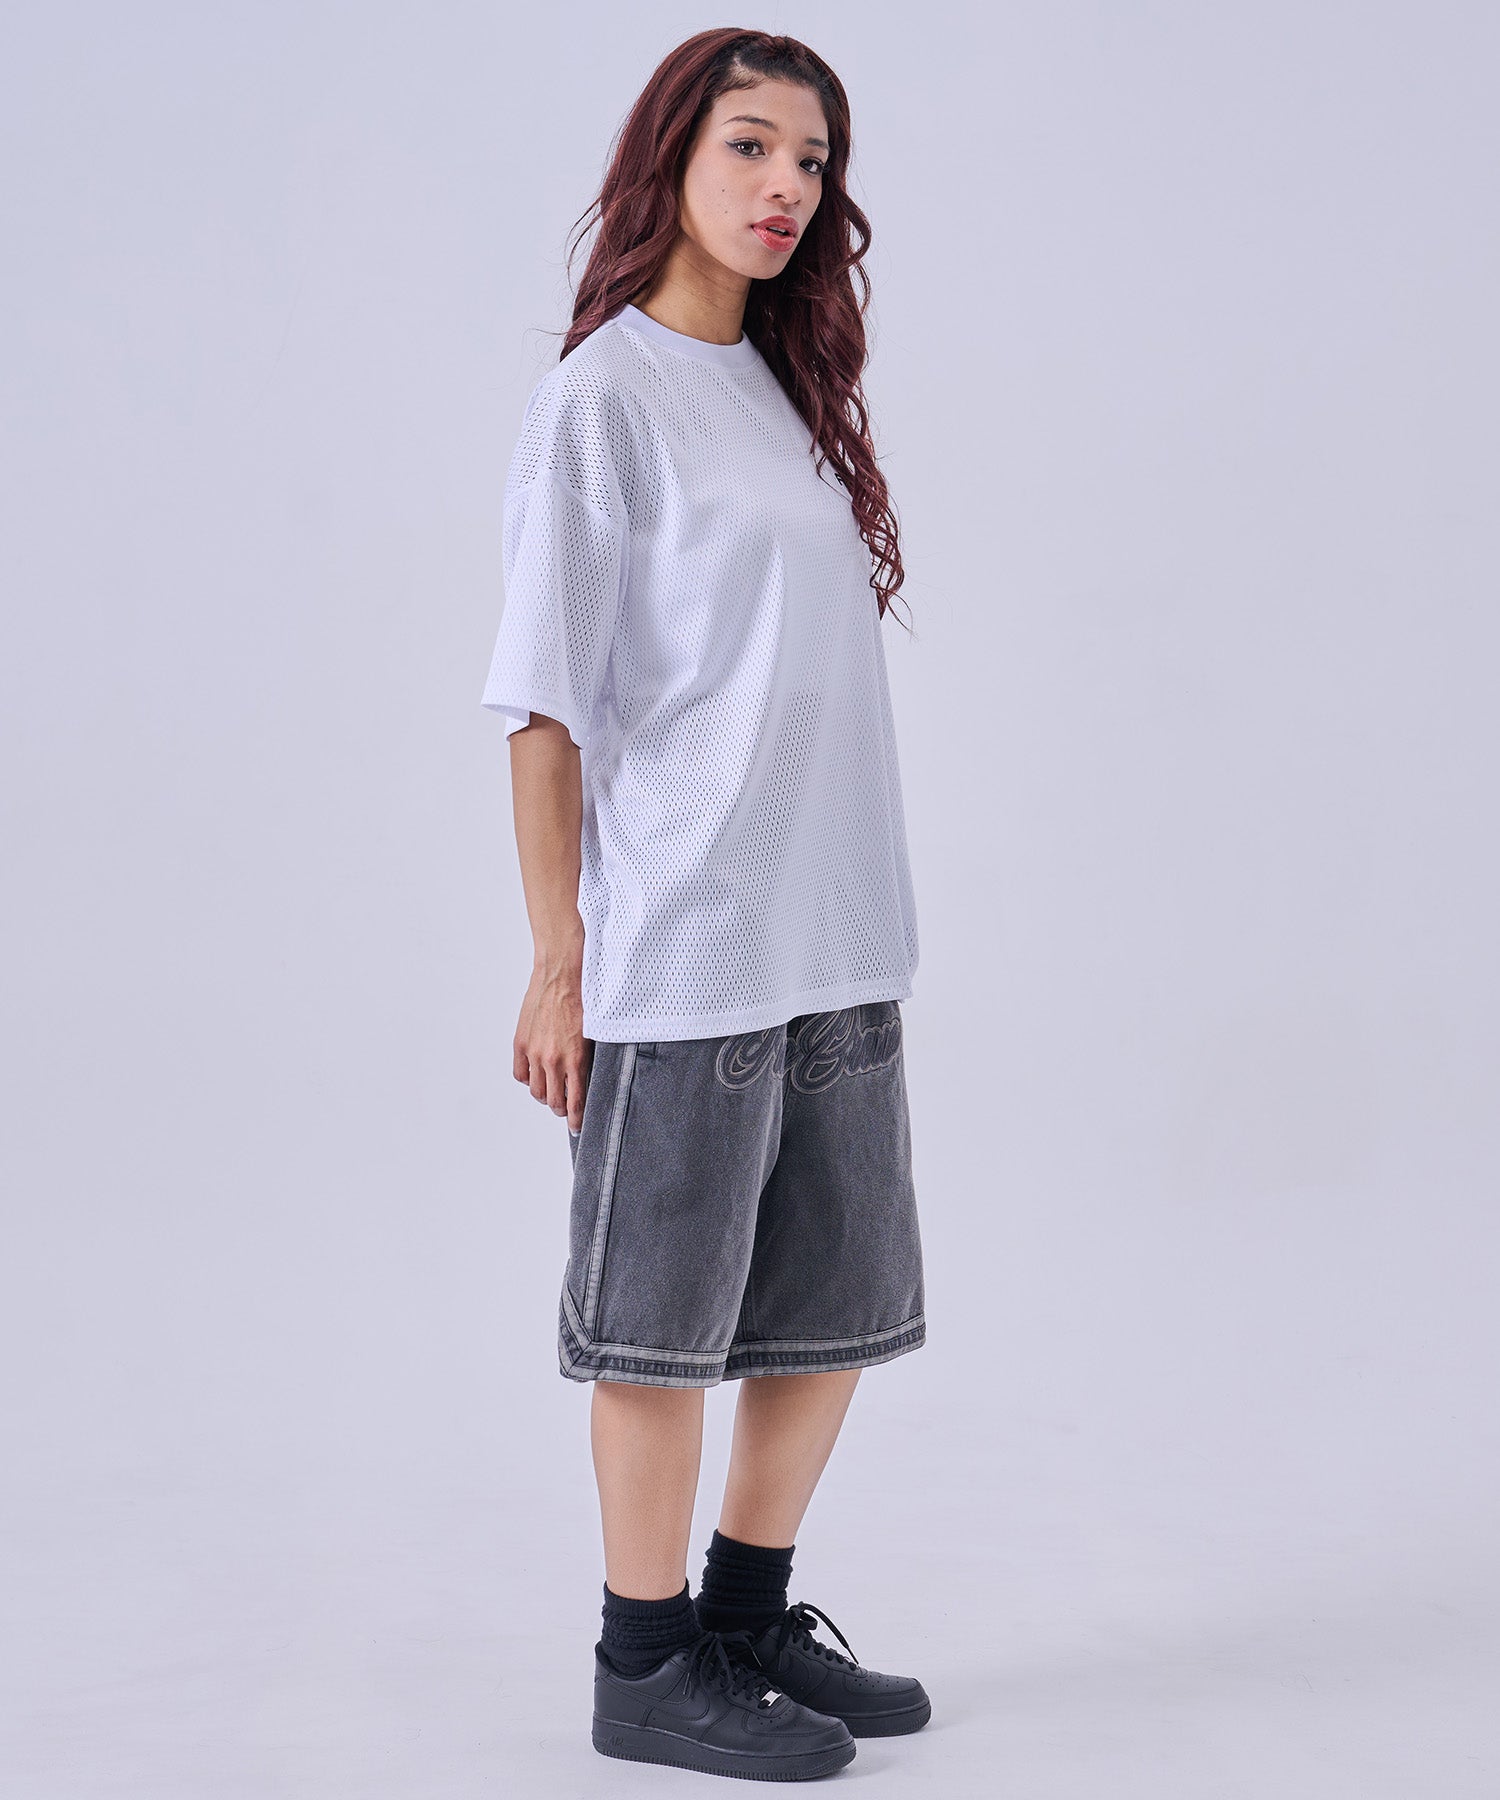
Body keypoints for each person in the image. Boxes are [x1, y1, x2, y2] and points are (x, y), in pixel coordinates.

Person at [480, 28, 931, 1781]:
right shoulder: (602, 399)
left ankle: (745, 1620)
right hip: (687, 945)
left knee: (833, 1313)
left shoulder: (784, 386)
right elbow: (543, 704)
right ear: (670, 155)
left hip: (839, 934)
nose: (785, 187)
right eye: (750, 145)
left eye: (812, 161)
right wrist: (559, 955)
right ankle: (644, 1665)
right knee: (661, 1335)